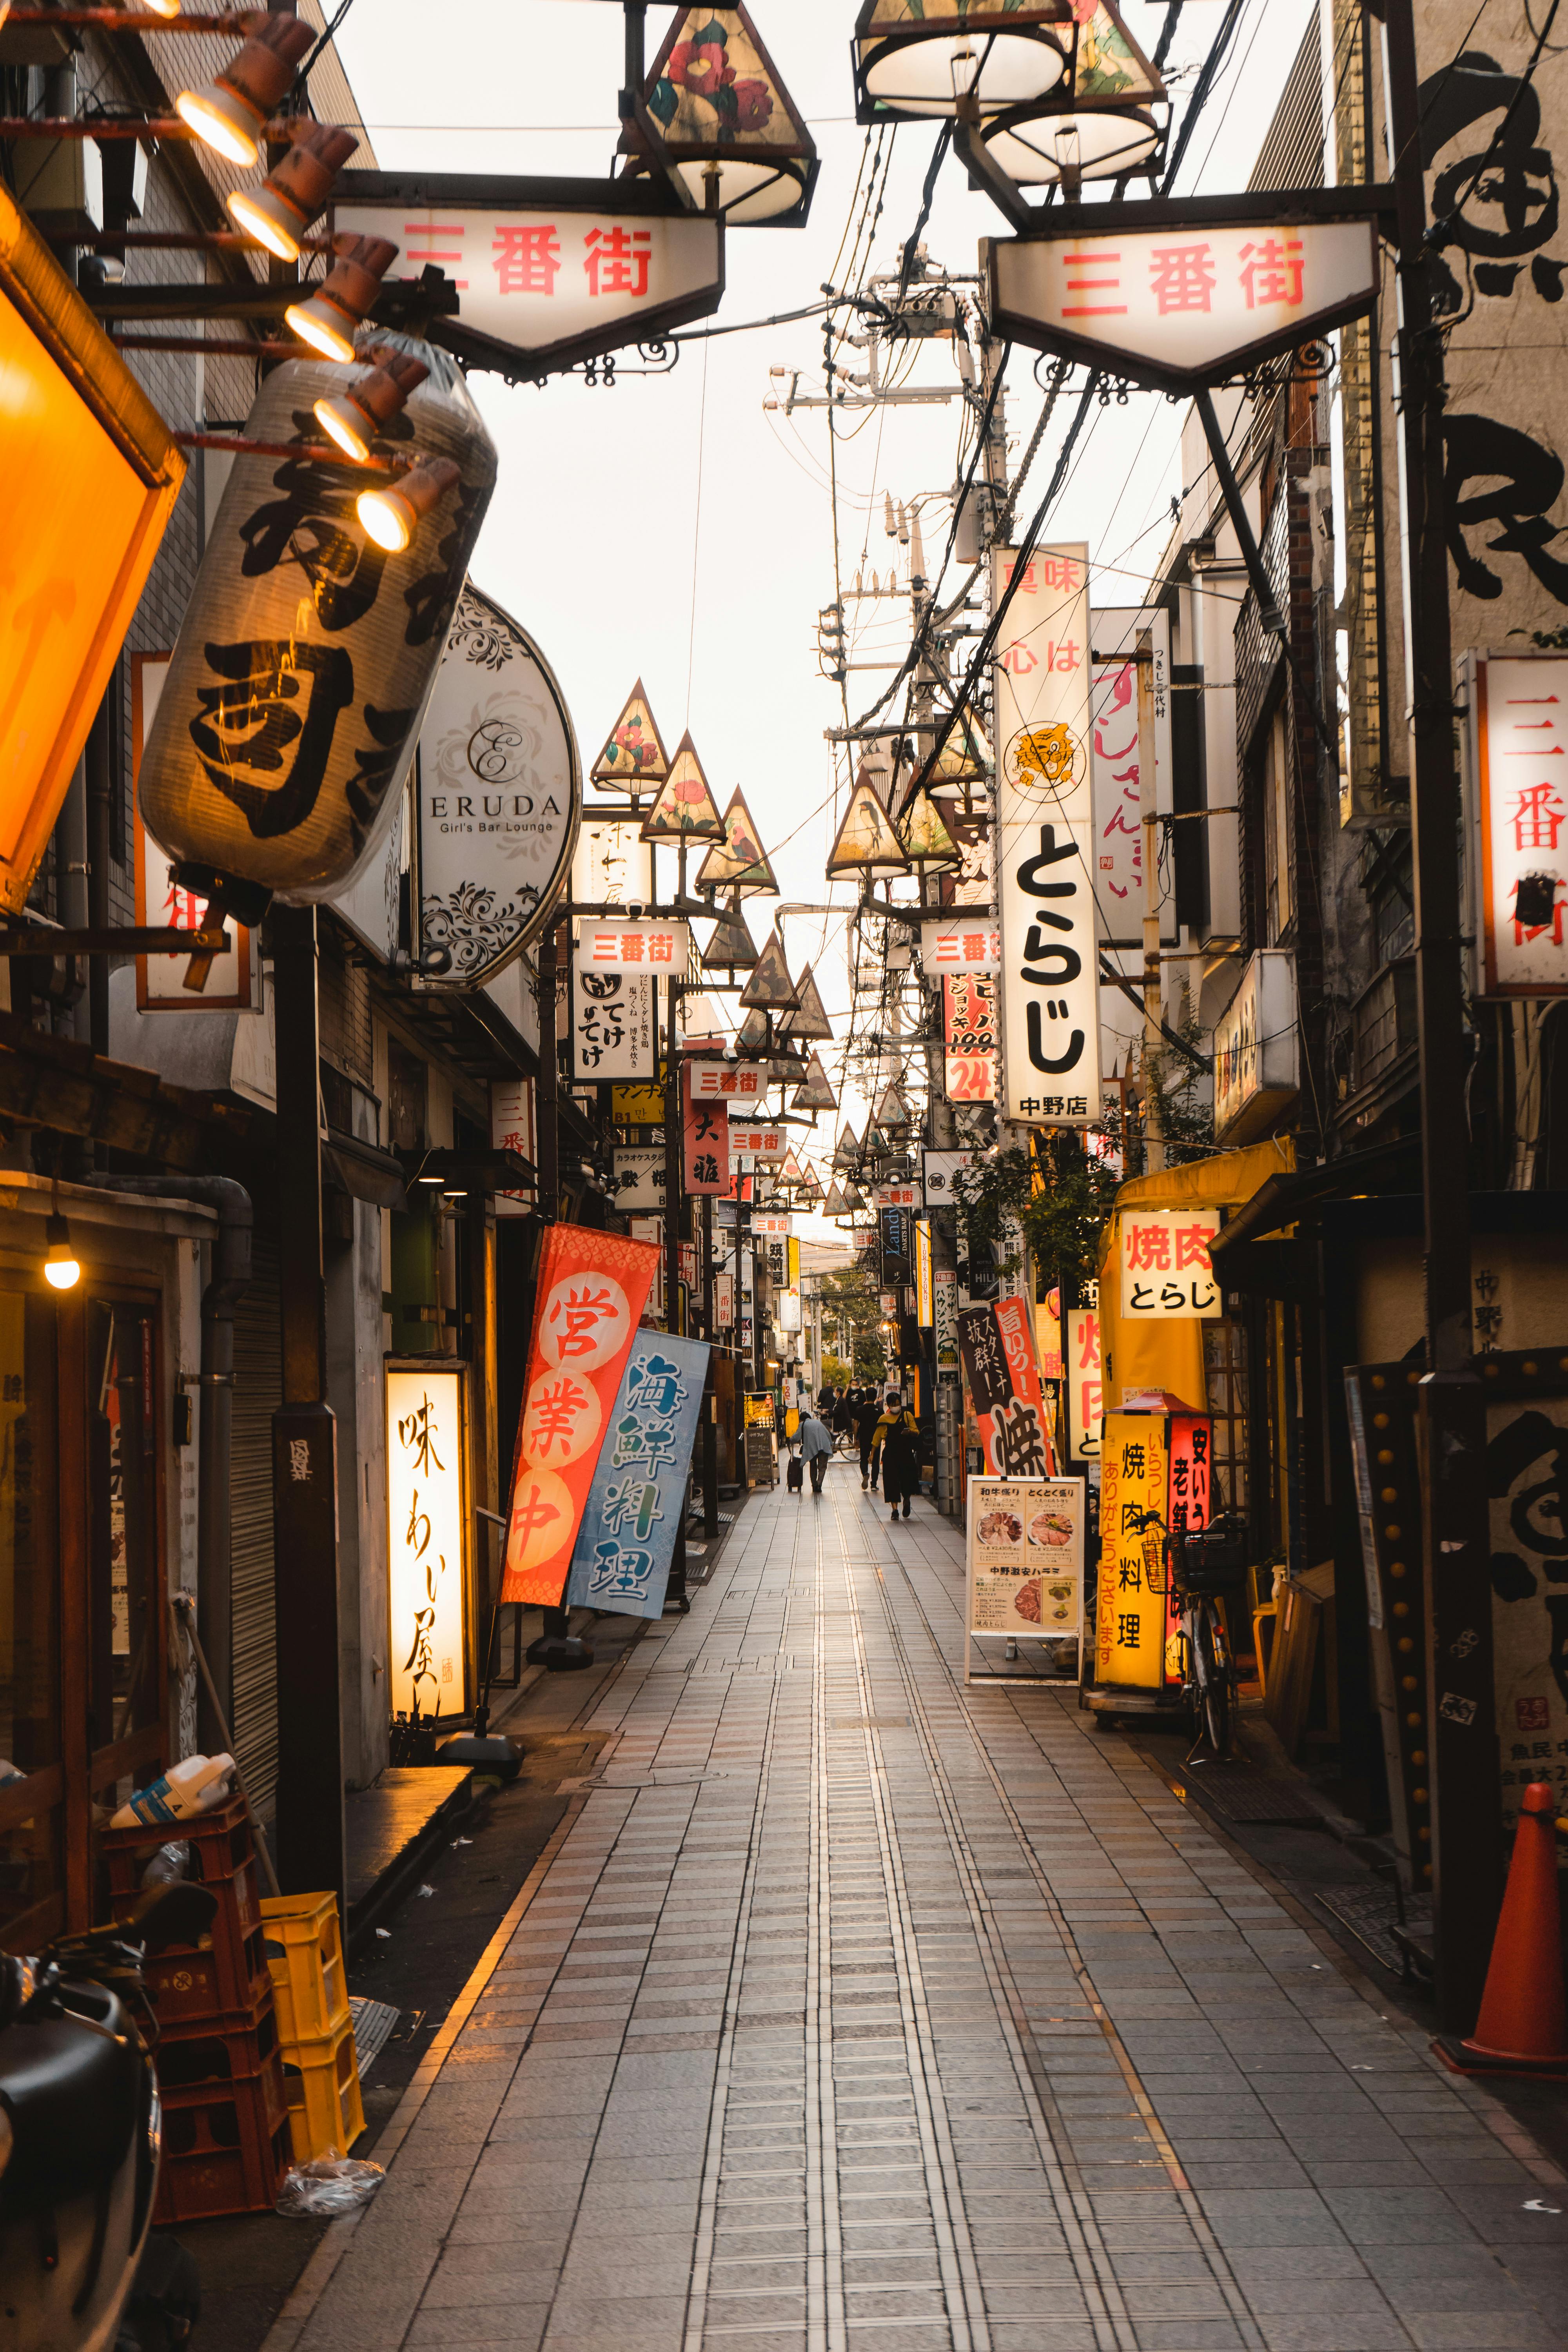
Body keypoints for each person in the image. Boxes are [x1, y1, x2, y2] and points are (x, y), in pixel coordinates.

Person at [873, 1391, 922, 1523]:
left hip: (905, 1453)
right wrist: (872, 1454)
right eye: (894, 1405)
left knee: (907, 1480)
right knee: (891, 1482)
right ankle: (895, 1510)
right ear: (889, 1405)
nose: (897, 1407)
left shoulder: (907, 1415)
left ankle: (907, 1500)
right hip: (890, 1454)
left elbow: (916, 1431)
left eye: (899, 1404)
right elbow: (877, 1438)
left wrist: (910, 1432)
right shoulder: (883, 1419)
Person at [797, 1407, 833, 1496]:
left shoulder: (803, 1424)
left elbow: (797, 1436)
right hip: (824, 1446)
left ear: (802, 1420)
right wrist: (831, 1444)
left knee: (813, 1465)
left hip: (813, 1448)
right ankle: (819, 1485)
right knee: (822, 1467)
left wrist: (791, 1440)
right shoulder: (818, 1422)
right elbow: (828, 1434)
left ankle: (814, 1485)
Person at [855, 1387, 883, 1490]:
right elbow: (883, 1427)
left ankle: (865, 1473)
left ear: (866, 1396)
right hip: (876, 1438)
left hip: (864, 1437)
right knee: (875, 1461)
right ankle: (874, 1485)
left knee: (864, 1459)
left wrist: (856, 1438)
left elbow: (856, 1424)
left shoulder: (859, 1409)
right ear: (876, 1397)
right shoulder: (880, 1411)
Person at [832, 1388, 855, 1453]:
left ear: (838, 1393)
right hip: (844, 1421)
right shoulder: (840, 1400)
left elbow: (838, 1411)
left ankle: (832, 1445)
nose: (834, 1393)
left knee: (828, 1426)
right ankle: (833, 1445)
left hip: (843, 1422)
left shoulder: (841, 1400)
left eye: (835, 1391)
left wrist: (829, 1413)